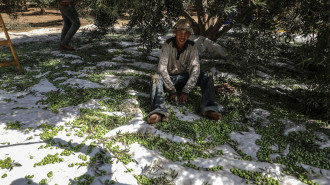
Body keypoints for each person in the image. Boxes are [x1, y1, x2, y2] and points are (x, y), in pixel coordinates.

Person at [147, 19, 221, 124]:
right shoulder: (167, 44)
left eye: (186, 33)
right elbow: (162, 69)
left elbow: (195, 68)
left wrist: (186, 91)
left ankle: (209, 108)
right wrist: (172, 90)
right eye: (180, 32)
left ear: (190, 34)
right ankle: (158, 111)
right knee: (155, 78)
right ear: (175, 31)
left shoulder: (192, 46)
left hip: (183, 78)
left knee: (207, 75)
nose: (183, 36)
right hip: (168, 79)